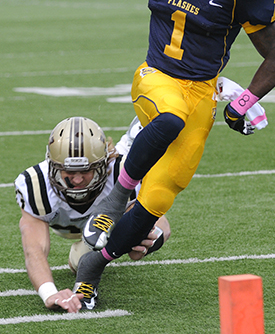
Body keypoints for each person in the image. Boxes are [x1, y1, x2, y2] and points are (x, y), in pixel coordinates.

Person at [44, 0, 275, 306]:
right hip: (156, 77)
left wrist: (243, 101)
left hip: (202, 93)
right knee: (170, 117)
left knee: (158, 197)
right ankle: (114, 198)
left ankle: (94, 268)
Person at [15, 116, 170, 313]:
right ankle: (130, 141)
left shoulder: (118, 171)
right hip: (66, 228)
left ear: (102, 164)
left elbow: (163, 225)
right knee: (81, 259)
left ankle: (131, 142)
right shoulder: (36, 185)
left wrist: (148, 236)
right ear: (53, 166)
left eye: (86, 170)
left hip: (110, 218)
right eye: (69, 171)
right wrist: (49, 293)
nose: (78, 179)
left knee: (132, 236)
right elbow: (34, 249)